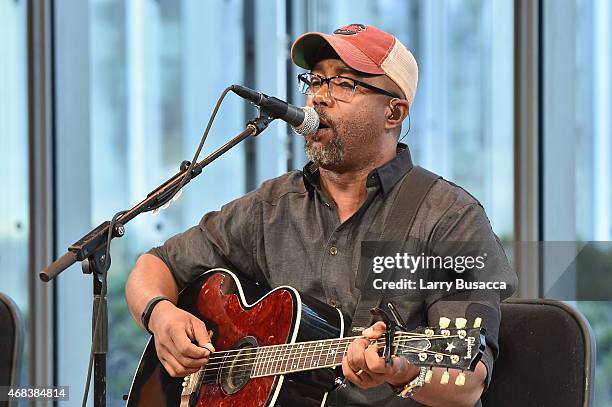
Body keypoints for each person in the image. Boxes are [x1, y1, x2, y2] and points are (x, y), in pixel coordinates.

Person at [126, 23, 516, 406]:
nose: (319, 98)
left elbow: (467, 382)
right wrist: (161, 315)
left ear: (393, 113)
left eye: (344, 83)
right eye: (314, 81)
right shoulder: (273, 206)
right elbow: (154, 266)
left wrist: (401, 371)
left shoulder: (449, 218)